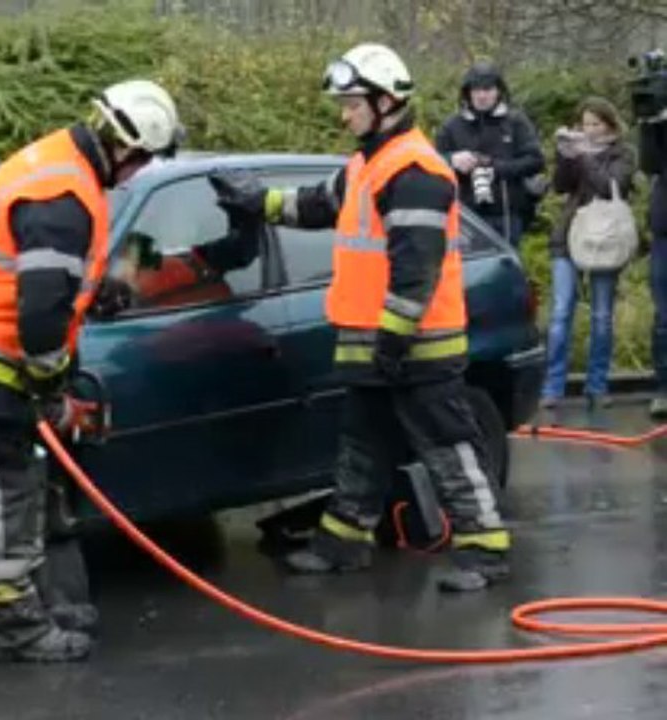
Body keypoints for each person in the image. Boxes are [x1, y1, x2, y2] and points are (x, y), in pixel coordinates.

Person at [212, 43, 511, 593]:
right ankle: (343, 545)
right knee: (362, 446)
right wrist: (258, 202)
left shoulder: (414, 171)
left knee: (448, 447)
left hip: (416, 347)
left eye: (352, 104)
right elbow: (316, 205)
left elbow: (415, 272)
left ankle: (485, 551)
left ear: (385, 102)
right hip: (375, 344)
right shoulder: (367, 165)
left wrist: (393, 342)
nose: (344, 115)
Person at [0, 79, 184, 661]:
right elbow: (40, 316)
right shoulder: (64, 197)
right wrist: (49, 388)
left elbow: (44, 280)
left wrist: (97, 293)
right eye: (142, 161)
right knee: (0, 497)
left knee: (12, 492)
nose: (138, 173)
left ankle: (33, 608)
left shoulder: (57, 164)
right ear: (128, 148)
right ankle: (10, 630)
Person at [540, 98, 637, 410]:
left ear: (609, 125)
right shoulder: (579, 150)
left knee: (601, 316)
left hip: (605, 239)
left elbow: (610, 187)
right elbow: (560, 187)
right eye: (585, 124)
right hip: (569, 235)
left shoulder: (623, 153)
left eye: (596, 124)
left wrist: (585, 157)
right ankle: (553, 387)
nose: (589, 130)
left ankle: (597, 385)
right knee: (561, 312)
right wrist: (565, 157)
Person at [435, 62, 544, 247]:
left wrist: (497, 168)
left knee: (506, 262)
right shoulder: (452, 126)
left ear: (498, 91)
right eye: (476, 89)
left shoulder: (515, 122)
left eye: (487, 89)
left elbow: (536, 161)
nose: (482, 95)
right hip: (466, 219)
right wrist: (452, 160)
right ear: (468, 92)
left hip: (507, 216)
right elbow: (432, 165)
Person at [644, 102, 667, 418]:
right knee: (664, 317)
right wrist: (652, 125)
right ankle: (664, 387)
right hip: (664, 233)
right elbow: (649, 164)